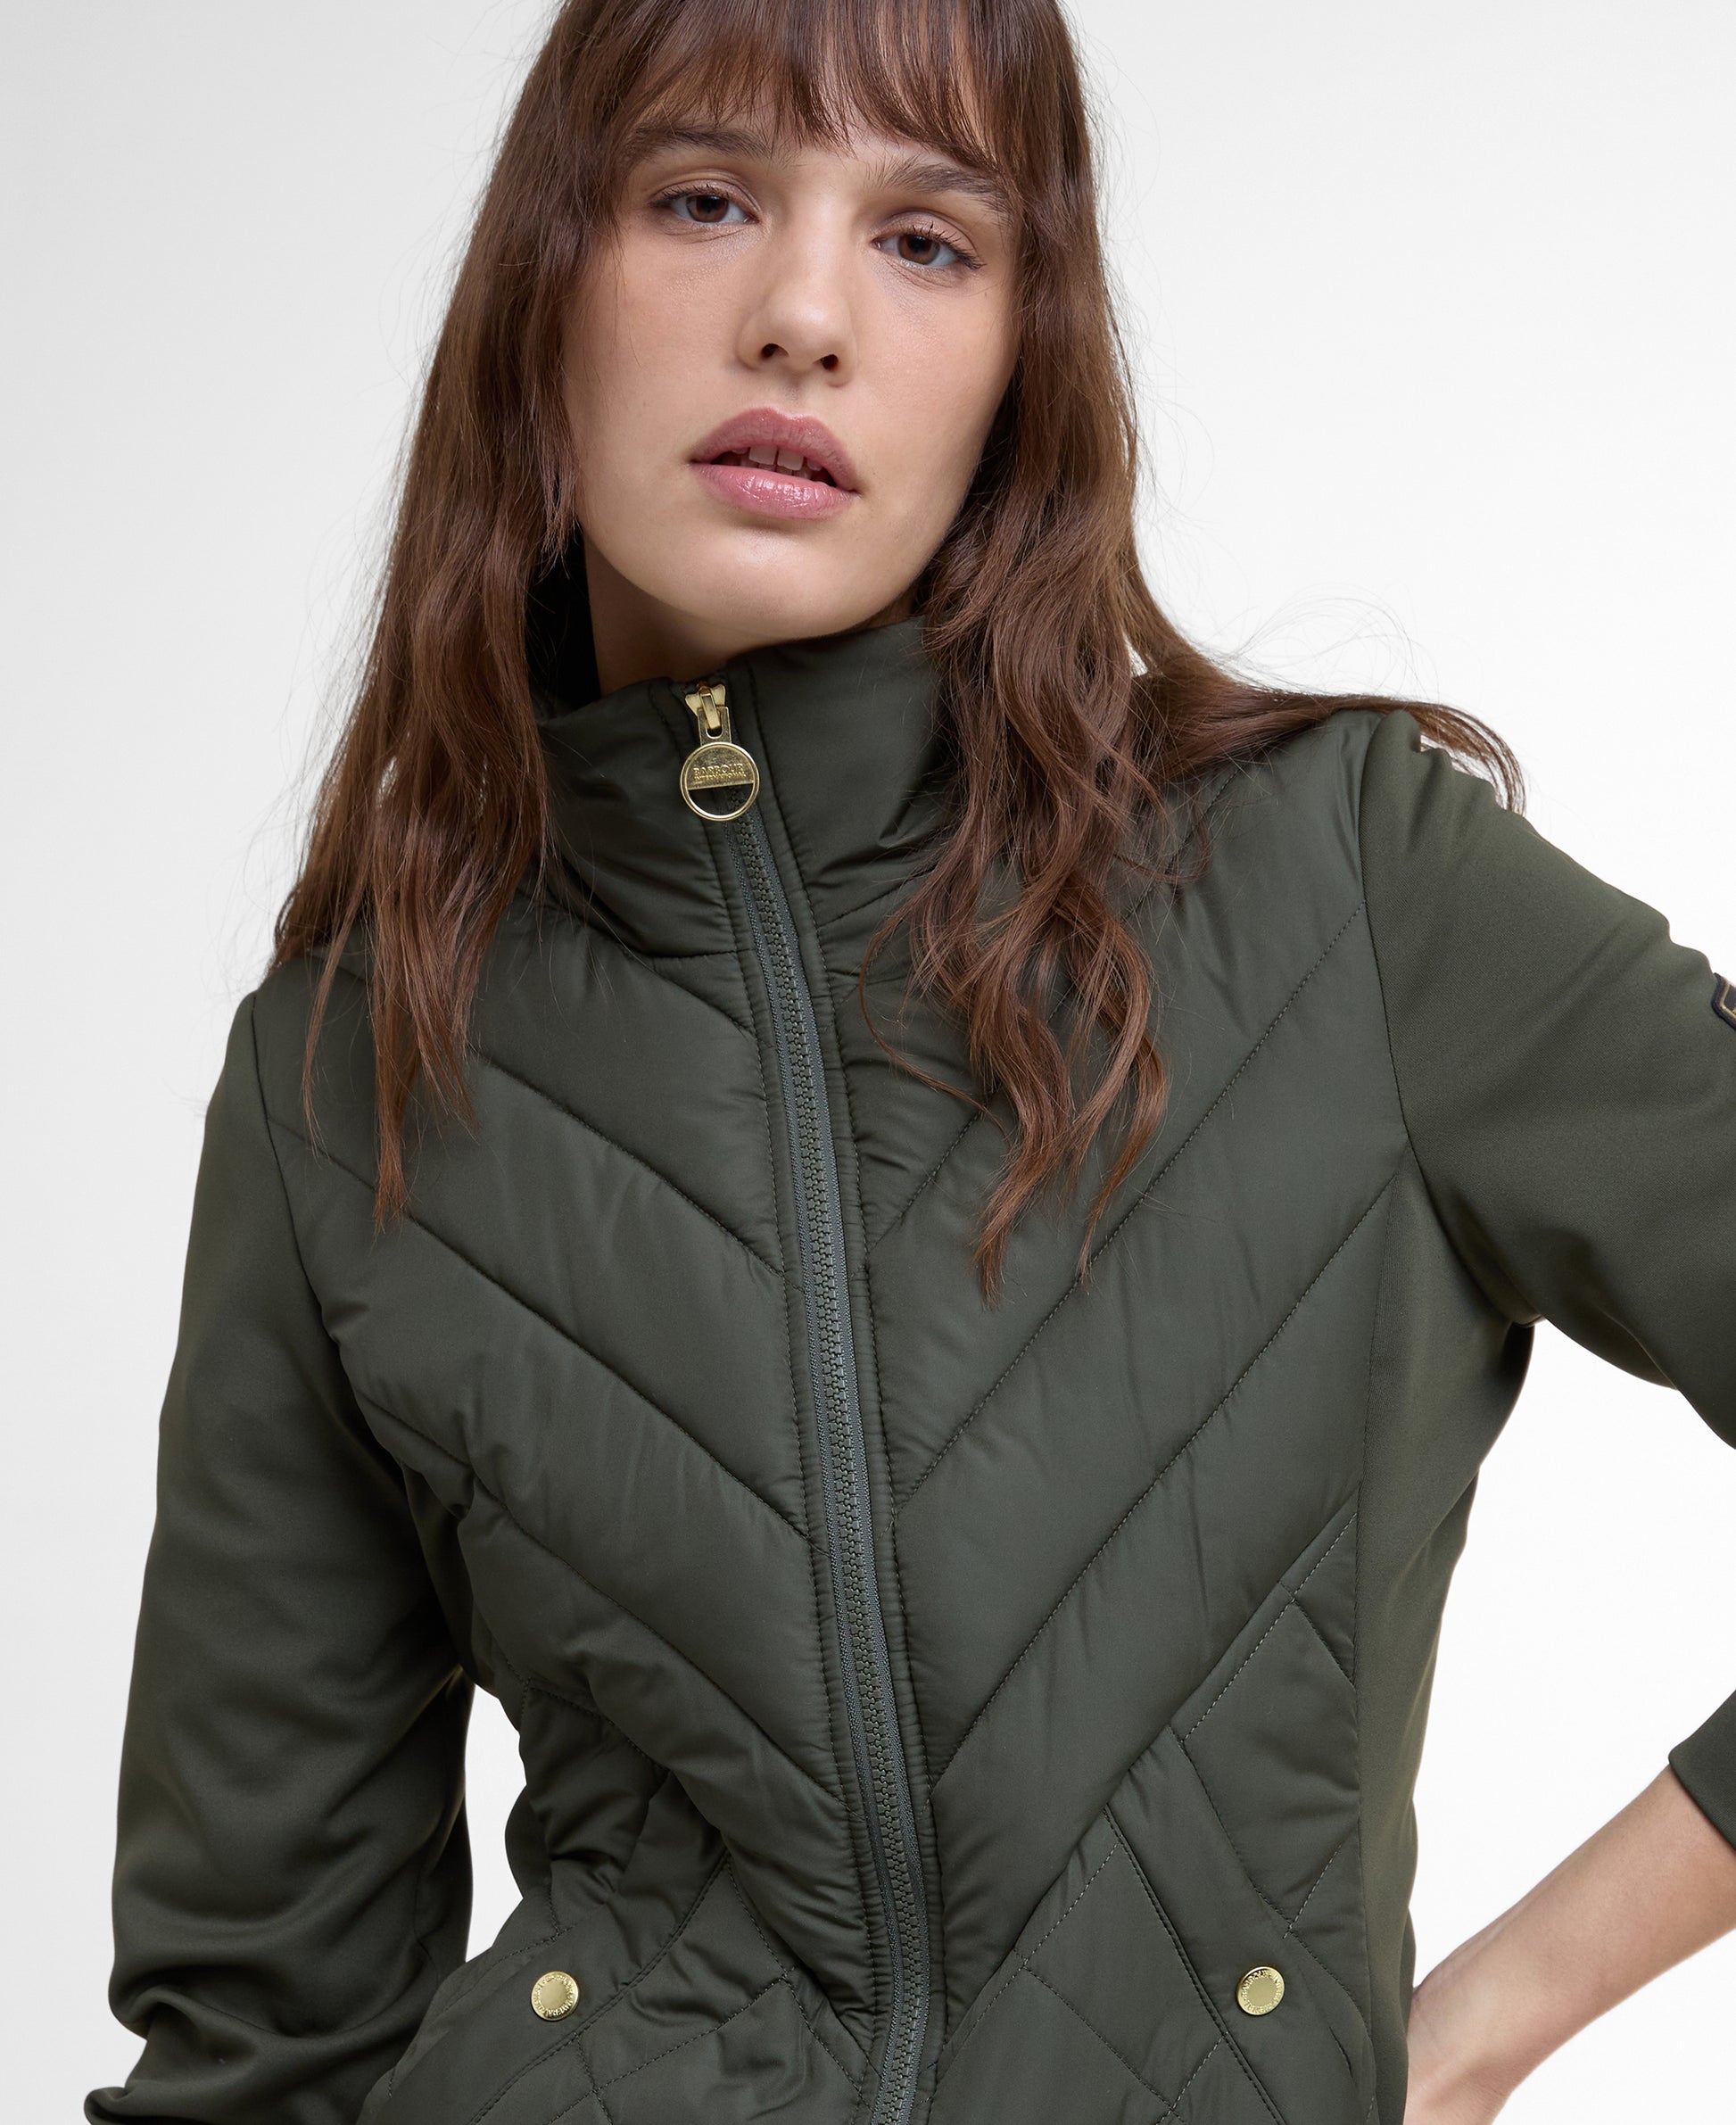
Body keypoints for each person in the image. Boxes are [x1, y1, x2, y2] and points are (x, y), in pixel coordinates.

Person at [89, 3, 1736, 2121]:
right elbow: (265, 2030)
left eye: (926, 240)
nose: (803, 316)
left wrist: (1474, 2031)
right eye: (704, 199)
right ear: (546, 280)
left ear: (1018, 361)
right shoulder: (354, 1065)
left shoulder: (1337, 881)